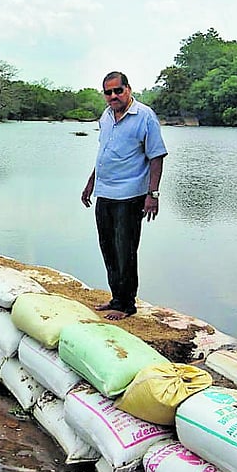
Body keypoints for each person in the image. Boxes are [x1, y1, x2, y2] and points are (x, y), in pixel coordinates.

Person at [81, 71, 167, 321]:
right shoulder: (106, 116)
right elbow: (105, 153)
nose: (113, 96)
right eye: (108, 92)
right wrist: (90, 183)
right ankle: (116, 297)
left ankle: (127, 304)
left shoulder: (144, 116)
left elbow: (156, 156)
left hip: (131, 195)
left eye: (118, 90)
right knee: (107, 247)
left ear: (128, 89)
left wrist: (153, 194)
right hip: (104, 193)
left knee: (125, 249)